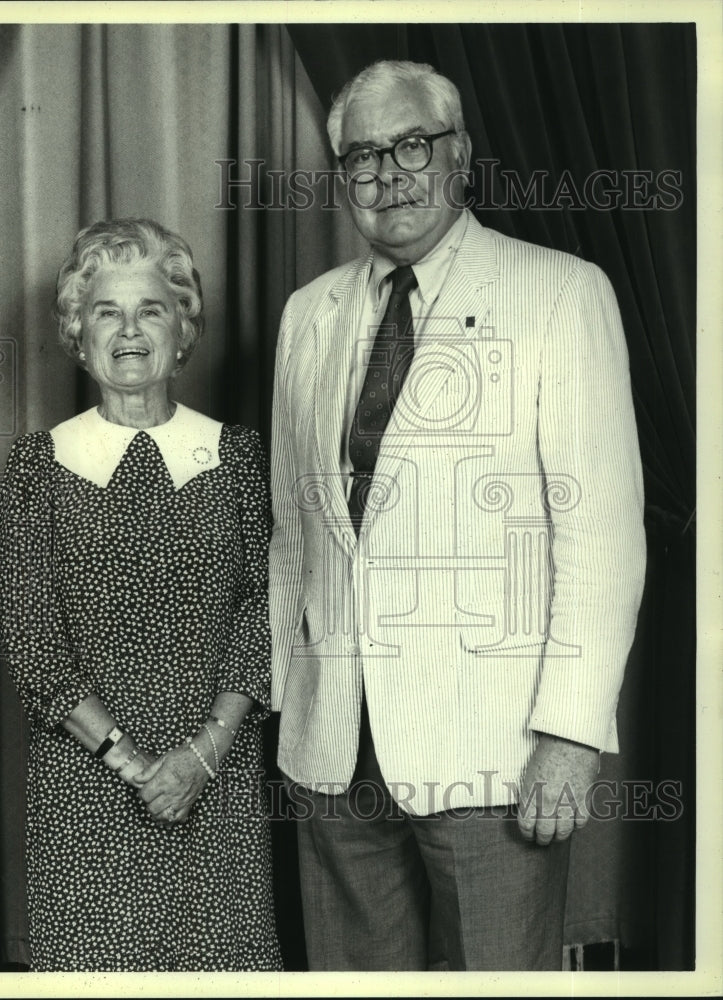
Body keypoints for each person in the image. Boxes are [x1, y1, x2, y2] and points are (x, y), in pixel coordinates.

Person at [269, 60, 646, 971]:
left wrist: (569, 736)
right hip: (333, 743)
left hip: (496, 747)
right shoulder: (307, 313)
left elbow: (601, 538)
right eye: (362, 156)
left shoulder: (560, 293)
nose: (387, 174)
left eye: (411, 146)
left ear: (460, 154)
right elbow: (293, 533)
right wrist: (278, 703)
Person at [0, 218, 282, 972]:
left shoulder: (237, 455)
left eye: (150, 310)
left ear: (182, 329)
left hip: (216, 784)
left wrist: (199, 758)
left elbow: (264, 615)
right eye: (106, 312)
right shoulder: (37, 466)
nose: (128, 331)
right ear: (78, 332)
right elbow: (34, 647)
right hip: (86, 791)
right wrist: (138, 767)